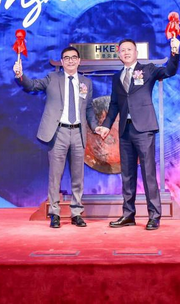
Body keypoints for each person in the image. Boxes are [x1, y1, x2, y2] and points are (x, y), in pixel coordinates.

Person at [14, 47, 110, 228]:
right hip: (58, 132)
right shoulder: (52, 78)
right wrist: (20, 75)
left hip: (78, 132)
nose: (70, 61)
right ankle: (54, 213)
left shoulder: (86, 83)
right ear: (62, 61)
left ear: (79, 61)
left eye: (74, 57)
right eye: (67, 58)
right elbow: (32, 85)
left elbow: (89, 108)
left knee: (78, 176)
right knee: (55, 175)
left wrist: (95, 126)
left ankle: (76, 213)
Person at [103, 38, 180, 230]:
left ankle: (154, 215)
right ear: (119, 54)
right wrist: (106, 125)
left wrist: (174, 52)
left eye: (129, 49)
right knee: (127, 175)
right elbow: (114, 104)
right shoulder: (117, 77)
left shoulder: (148, 69)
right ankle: (128, 215)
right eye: (123, 50)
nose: (126, 52)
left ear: (136, 52)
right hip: (125, 130)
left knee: (148, 173)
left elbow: (169, 71)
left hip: (144, 129)